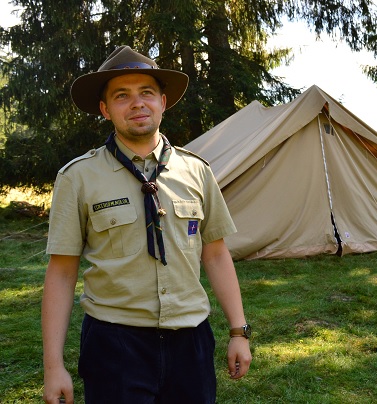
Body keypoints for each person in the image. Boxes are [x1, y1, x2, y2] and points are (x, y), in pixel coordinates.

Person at [42, 46, 252, 404]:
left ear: (163, 102)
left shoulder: (197, 171)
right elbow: (62, 272)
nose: (137, 104)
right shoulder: (78, 178)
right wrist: (52, 366)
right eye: (122, 96)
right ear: (106, 110)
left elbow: (215, 253)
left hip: (191, 341)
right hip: (115, 345)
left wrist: (238, 331)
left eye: (147, 93)